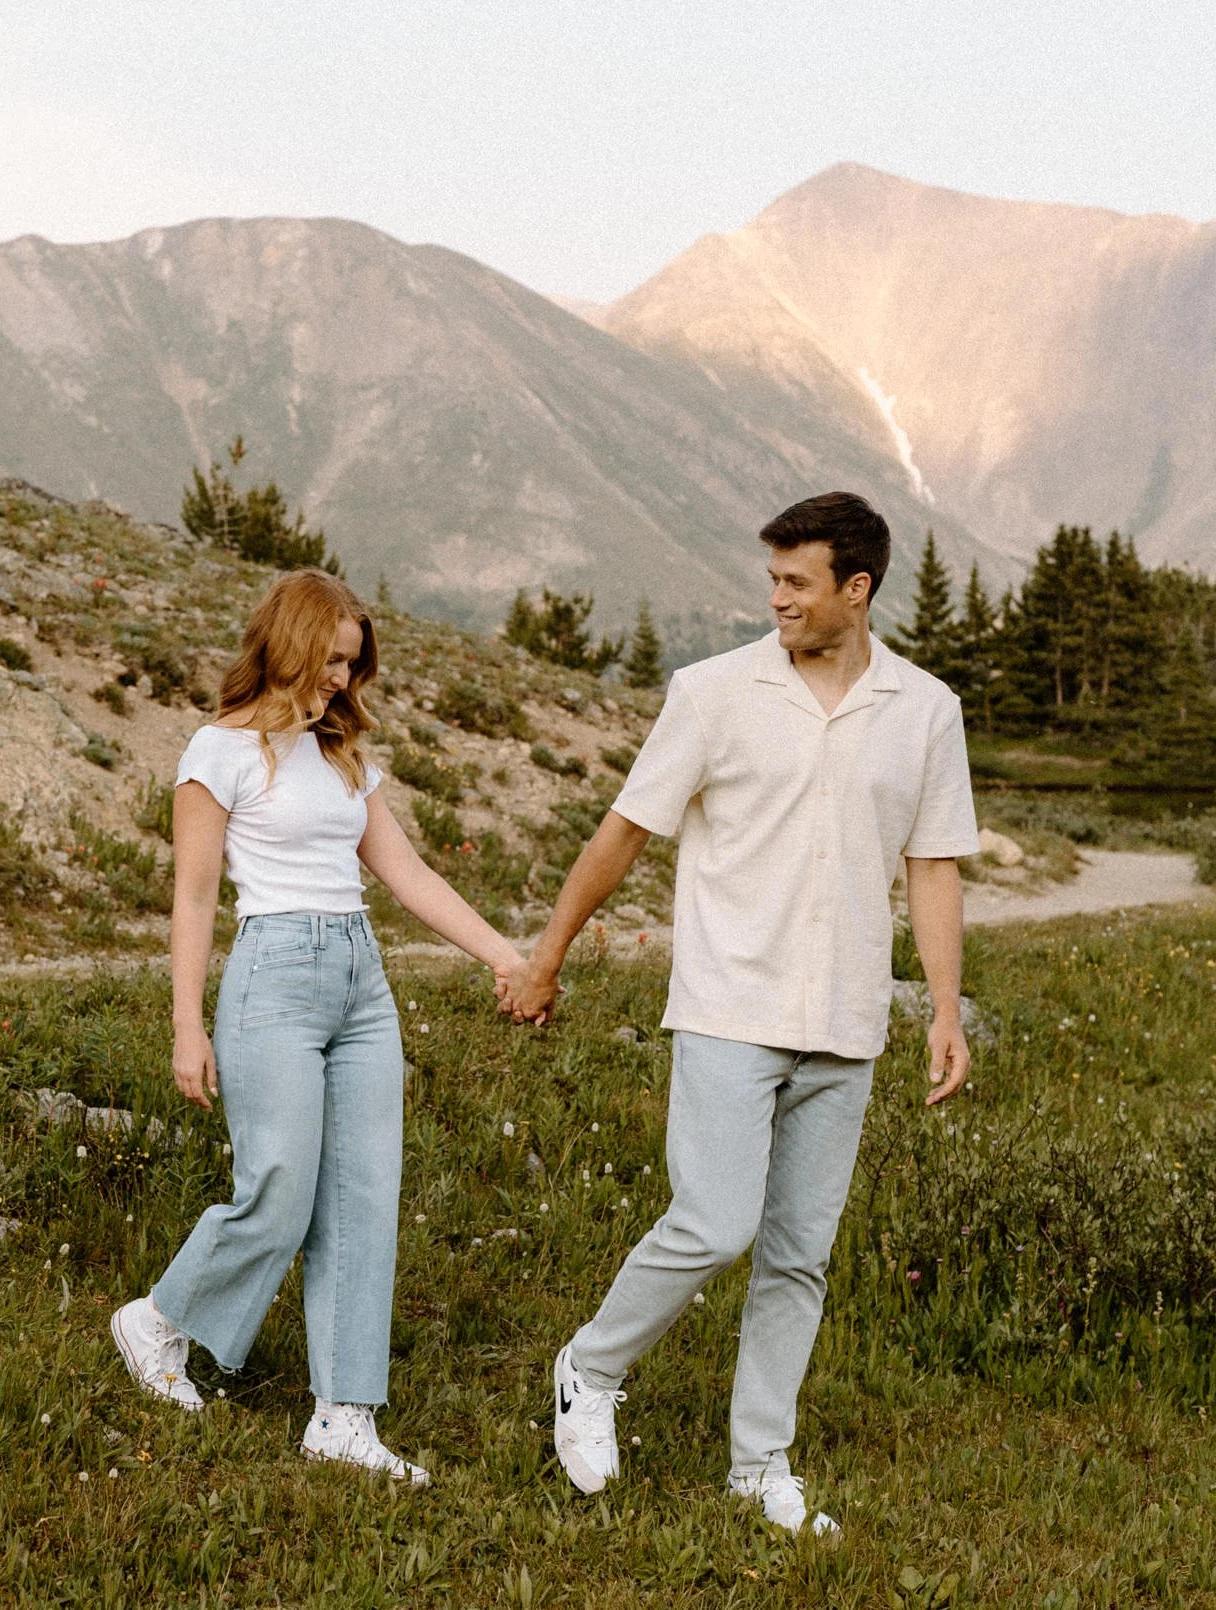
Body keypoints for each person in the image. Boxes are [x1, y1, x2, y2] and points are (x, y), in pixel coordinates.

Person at [500, 492, 977, 1536]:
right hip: (727, 1002)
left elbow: (932, 864)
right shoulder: (713, 692)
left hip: (847, 1018)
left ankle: (759, 1464)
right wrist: (547, 954)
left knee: (800, 1253)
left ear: (856, 590)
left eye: (796, 582)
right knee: (716, 1221)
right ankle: (591, 1364)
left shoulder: (924, 708)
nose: (776, 600)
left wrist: (943, 1008)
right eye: (771, 580)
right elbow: (624, 832)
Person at [111, 568, 525, 1485]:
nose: (342, 679)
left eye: (351, 663)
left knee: (366, 1196)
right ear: (290, 643)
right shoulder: (216, 751)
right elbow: (193, 897)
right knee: (281, 1189)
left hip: (360, 985)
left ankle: (344, 1415)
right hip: (273, 980)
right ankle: (159, 1321)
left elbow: (409, 876)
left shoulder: (342, 758)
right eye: (331, 660)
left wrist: (505, 954)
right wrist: (188, 1025)